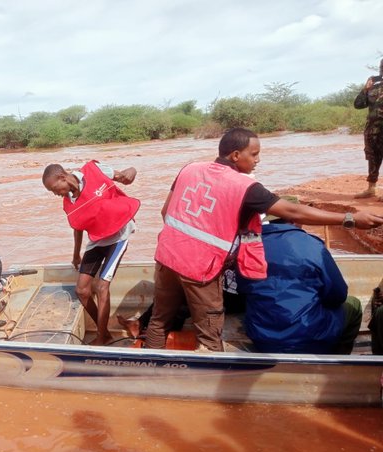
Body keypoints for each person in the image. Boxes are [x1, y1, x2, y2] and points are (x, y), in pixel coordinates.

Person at [144, 127, 383, 352]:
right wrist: (349, 218)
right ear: (236, 155)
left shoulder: (190, 169)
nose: (258, 160)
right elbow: (293, 212)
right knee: (209, 333)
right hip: (200, 267)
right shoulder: (245, 186)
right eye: (254, 154)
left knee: (159, 320)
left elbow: (166, 212)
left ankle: (149, 367)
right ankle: (213, 385)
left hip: (166, 255)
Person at [42, 160, 139, 345]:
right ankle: (105, 333)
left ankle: (102, 337)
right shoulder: (68, 201)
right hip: (98, 239)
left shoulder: (94, 170)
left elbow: (124, 177)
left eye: (54, 188)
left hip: (119, 234)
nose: (55, 194)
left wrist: (132, 169)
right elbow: (78, 228)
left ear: (62, 177)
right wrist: (76, 254)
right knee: (82, 290)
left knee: (102, 286)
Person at [235, 217, 361, 354]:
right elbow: (339, 295)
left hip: (262, 338)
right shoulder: (312, 245)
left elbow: (242, 289)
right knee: (354, 305)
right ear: (296, 219)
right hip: (310, 337)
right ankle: (339, 359)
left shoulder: (248, 245)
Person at [354, 58, 383, 199]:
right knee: (372, 158)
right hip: (372, 131)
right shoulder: (373, 87)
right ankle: (371, 189)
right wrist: (365, 89)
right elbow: (358, 104)